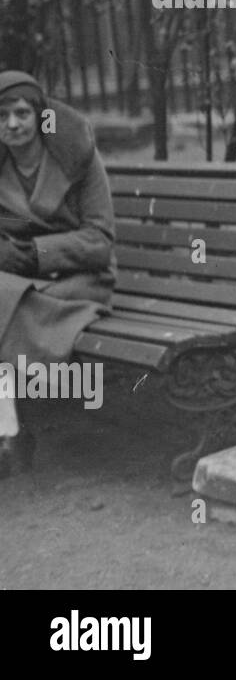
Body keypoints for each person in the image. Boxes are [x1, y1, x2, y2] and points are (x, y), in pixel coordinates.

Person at [0, 72, 114, 476]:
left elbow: (101, 240)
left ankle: (12, 432)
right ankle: (10, 428)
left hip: (80, 278)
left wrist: (35, 255)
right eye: (2, 116)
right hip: (22, 285)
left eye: (21, 113)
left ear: (40, 116)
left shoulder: (77, 157)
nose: (12, 124)